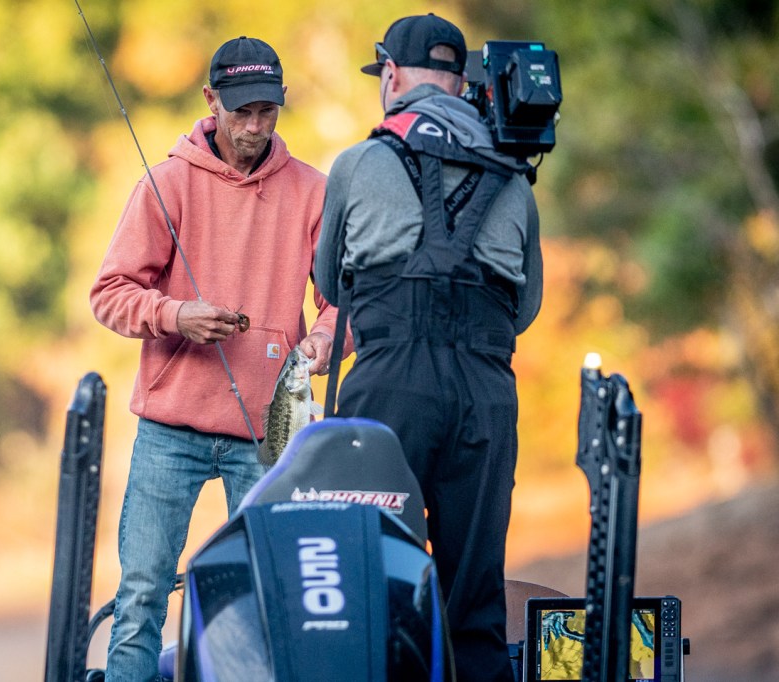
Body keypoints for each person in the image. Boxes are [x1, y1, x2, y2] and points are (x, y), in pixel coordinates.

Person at [90, 36, 337, 682]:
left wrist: (324, 338)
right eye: (241, 111)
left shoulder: (313, 192)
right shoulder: (166, 183)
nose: (254, 127)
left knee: (263, 596)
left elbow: (345, 300)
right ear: (211, 101)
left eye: (267, 112)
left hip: (268, 434)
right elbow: (109, 294)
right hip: (169, 432)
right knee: (141, 594)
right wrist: (176, 316)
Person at [315, 13, 542, 682]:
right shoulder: (516, 177)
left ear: (390, 75)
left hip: (389, 386)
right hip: (485, 392)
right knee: (474, 596)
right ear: (462, 83)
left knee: (371, 580)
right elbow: (526, 308)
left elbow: (330, 284)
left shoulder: (359, 162)